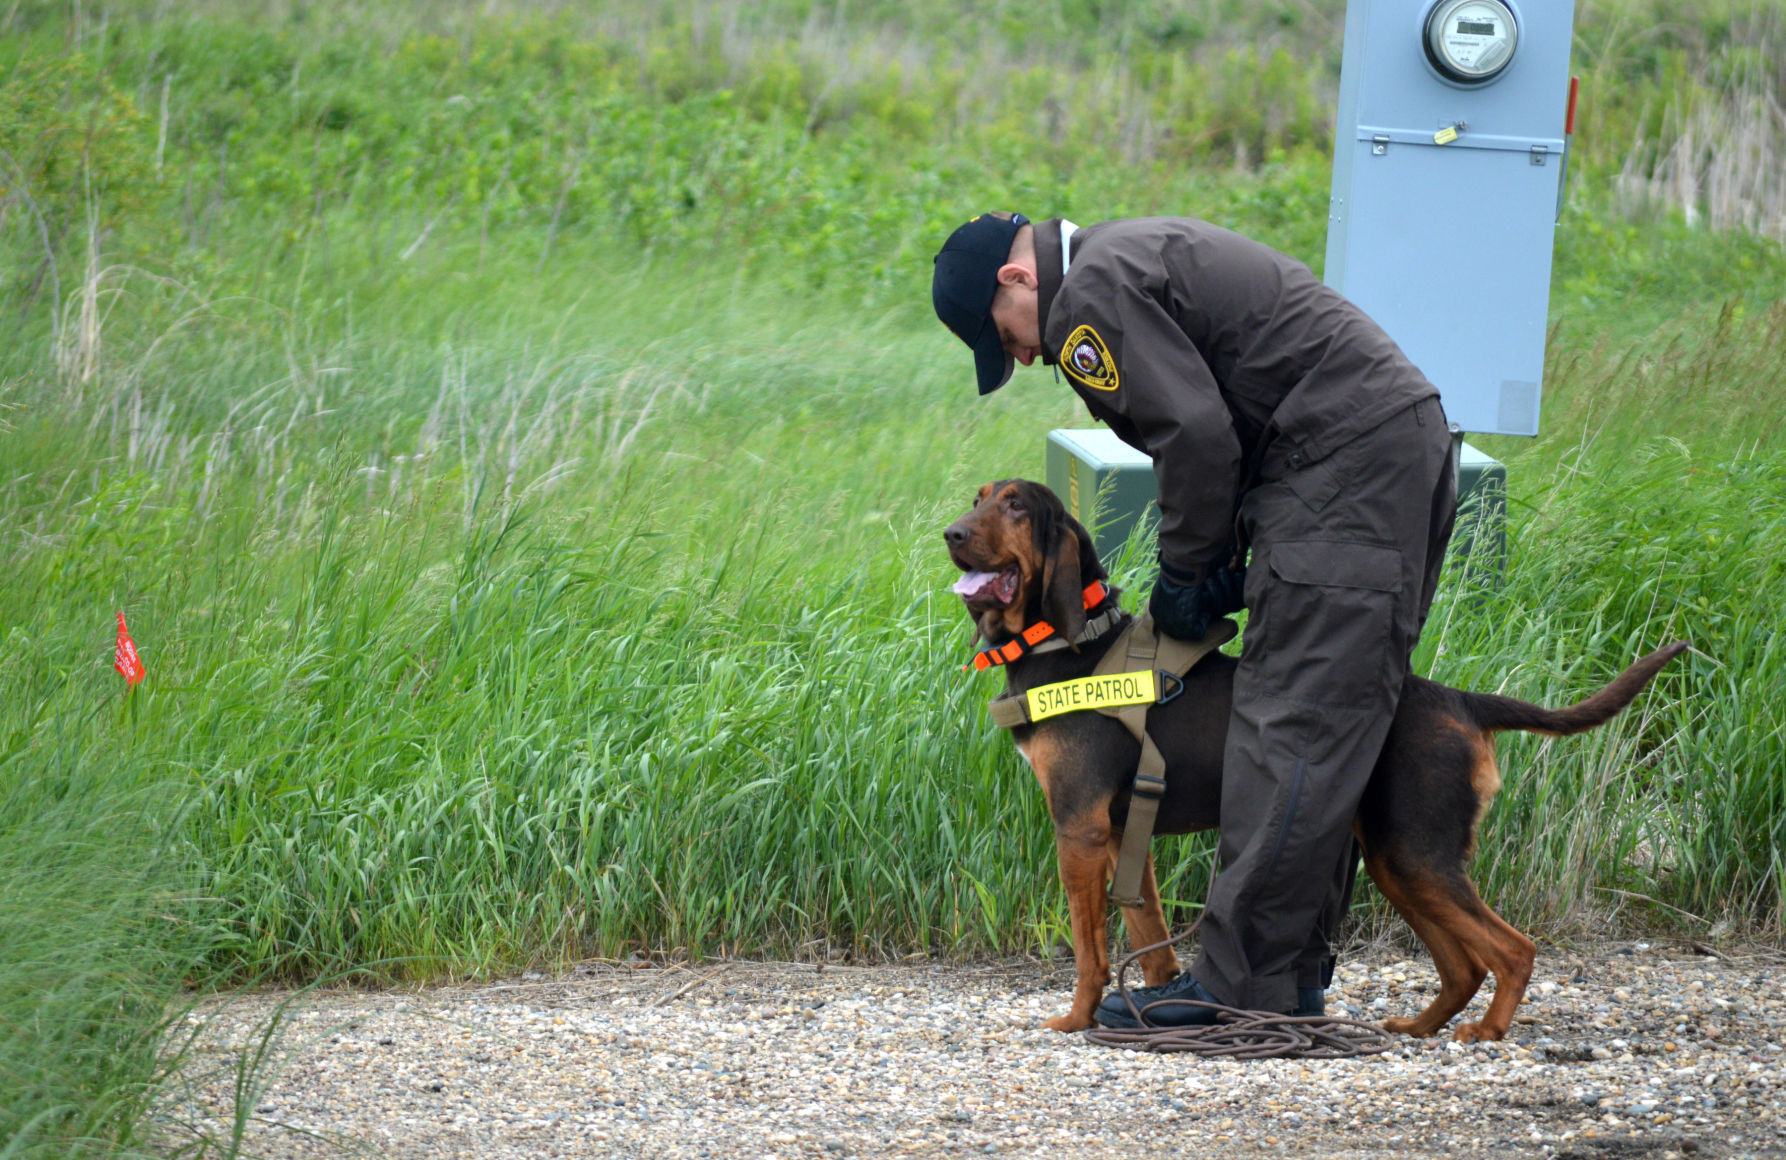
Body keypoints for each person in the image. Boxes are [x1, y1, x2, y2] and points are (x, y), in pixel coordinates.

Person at [932, 212, 1457, 1026]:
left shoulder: (1087, 301)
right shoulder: (1125, 255)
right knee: (1331, 721)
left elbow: (1199, 437)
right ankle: (1284, 980)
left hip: (1343, 472)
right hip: (1372, 459)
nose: (1023, 357)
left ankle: (1239, 989)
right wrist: (1218, 559)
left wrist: (1185, 573)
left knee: (1294, 721)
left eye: (1004, 338)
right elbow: (1224, 415)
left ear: (1017, 280)